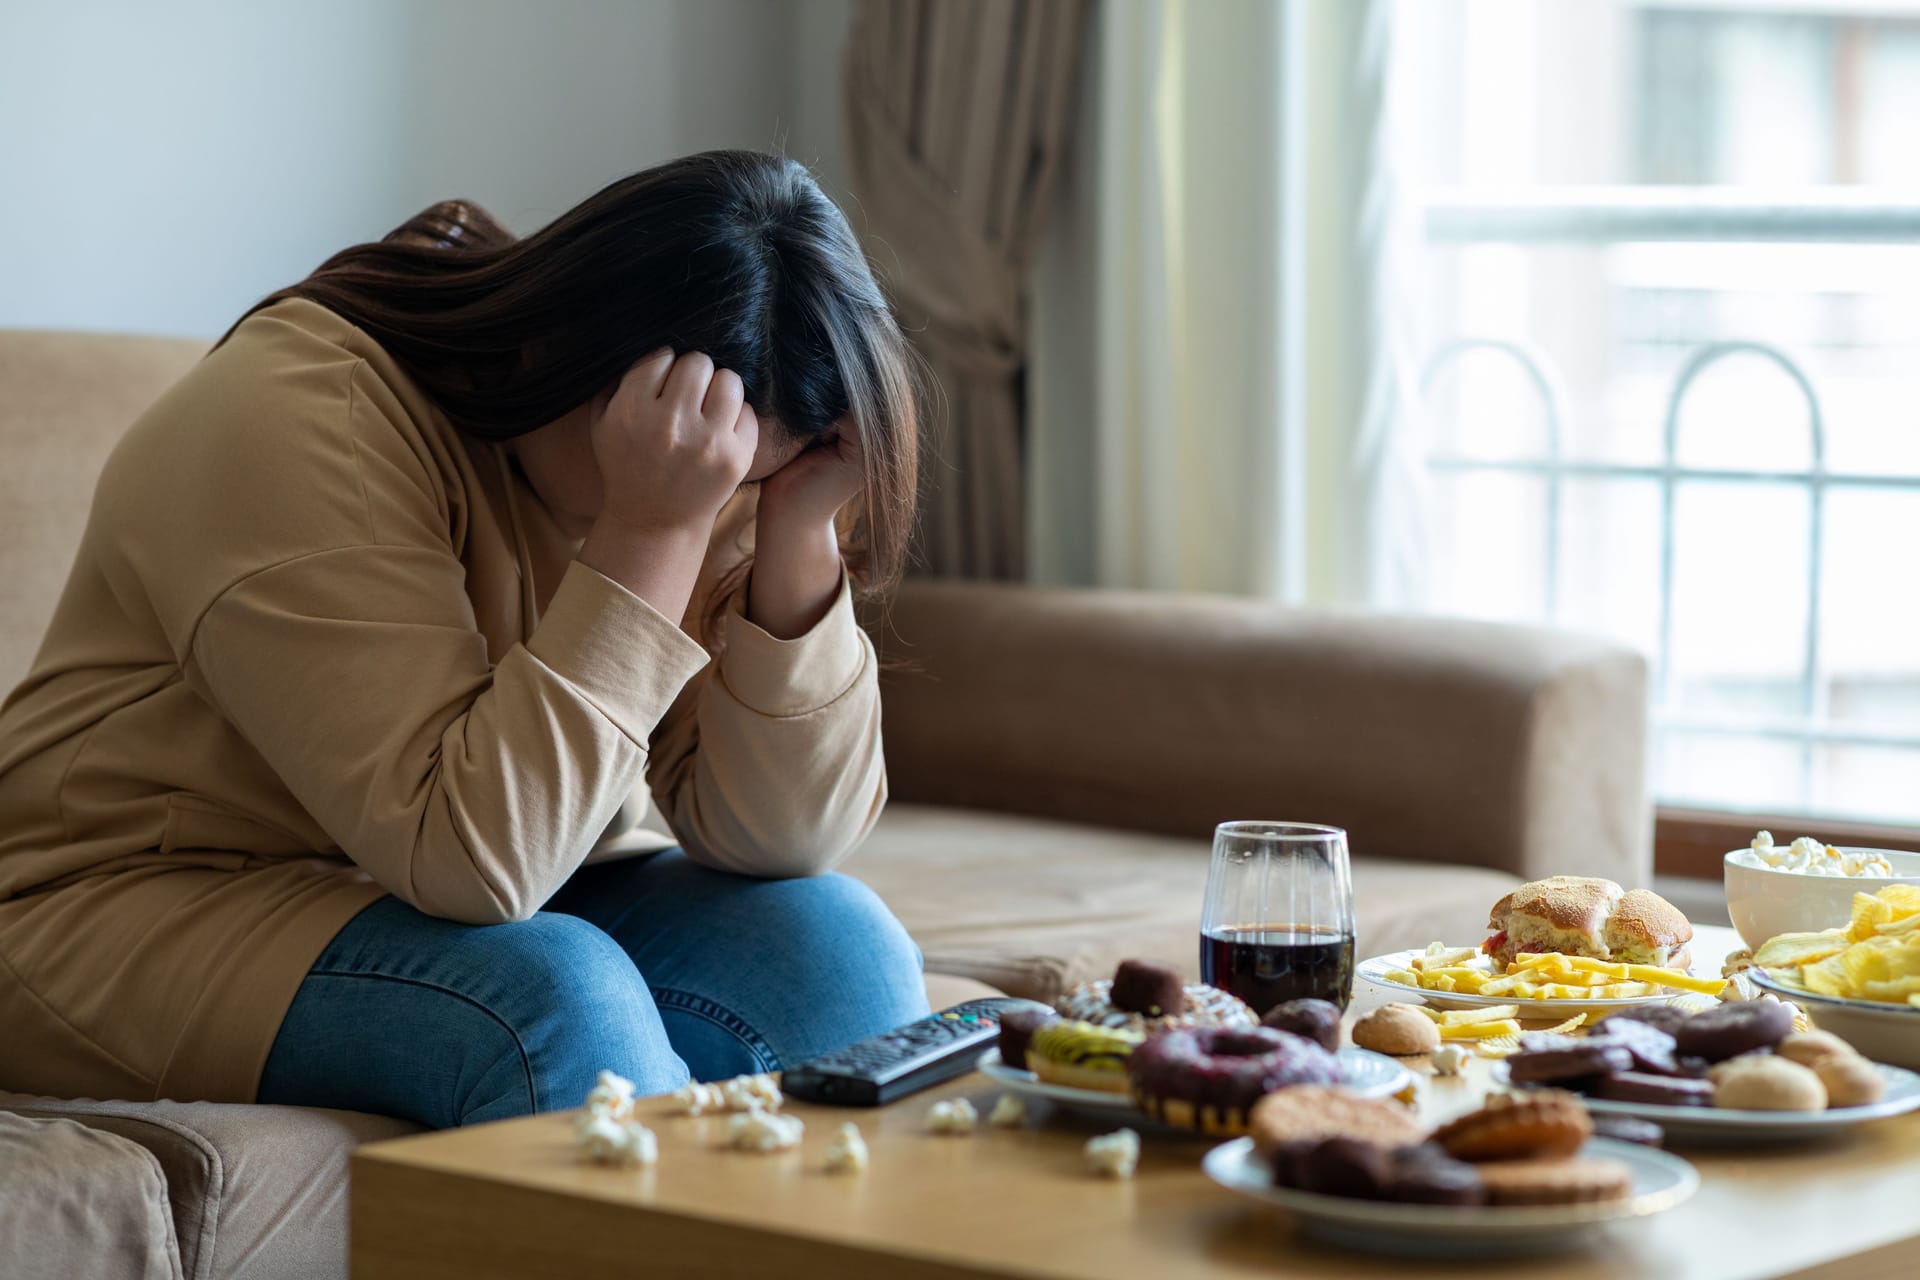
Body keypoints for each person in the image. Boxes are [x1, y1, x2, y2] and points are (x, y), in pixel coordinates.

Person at [0, 151, 929, 1129]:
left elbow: (780, 836)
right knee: (556, 999)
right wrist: (650, 528)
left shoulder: (710, 462)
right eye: (723, 479)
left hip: (424, 899)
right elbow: (477, 859)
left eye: (754, 476)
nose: (720, 503)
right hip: (122, 908)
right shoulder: (300, 412)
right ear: (577, 349)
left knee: (834, 951)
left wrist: (799, 526)